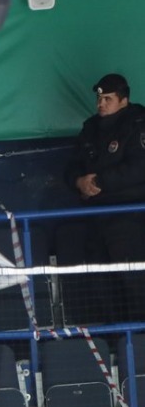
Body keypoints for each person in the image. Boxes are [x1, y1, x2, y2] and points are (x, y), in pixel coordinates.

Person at [60, 74, 145, 278]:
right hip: (95, 216)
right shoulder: (91, 127)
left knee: (134, 281)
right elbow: (72, 165)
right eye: (99, 99)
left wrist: (99, 182)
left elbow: (139, 167)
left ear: (123, 101)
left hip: (130, 215)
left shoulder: (138, 123)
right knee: (100, 282)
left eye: (108, 99)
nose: (101, 104)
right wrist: (79, 182)